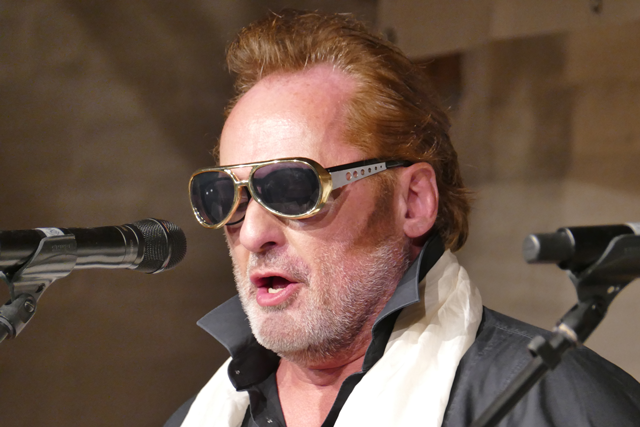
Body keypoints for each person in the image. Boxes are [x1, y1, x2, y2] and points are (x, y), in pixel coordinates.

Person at [167, 9, 640, 427]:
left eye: (292, 189)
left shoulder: (547, 402)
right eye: (224, 196)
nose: (252, 233)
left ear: (413, 201)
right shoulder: (201, 416)